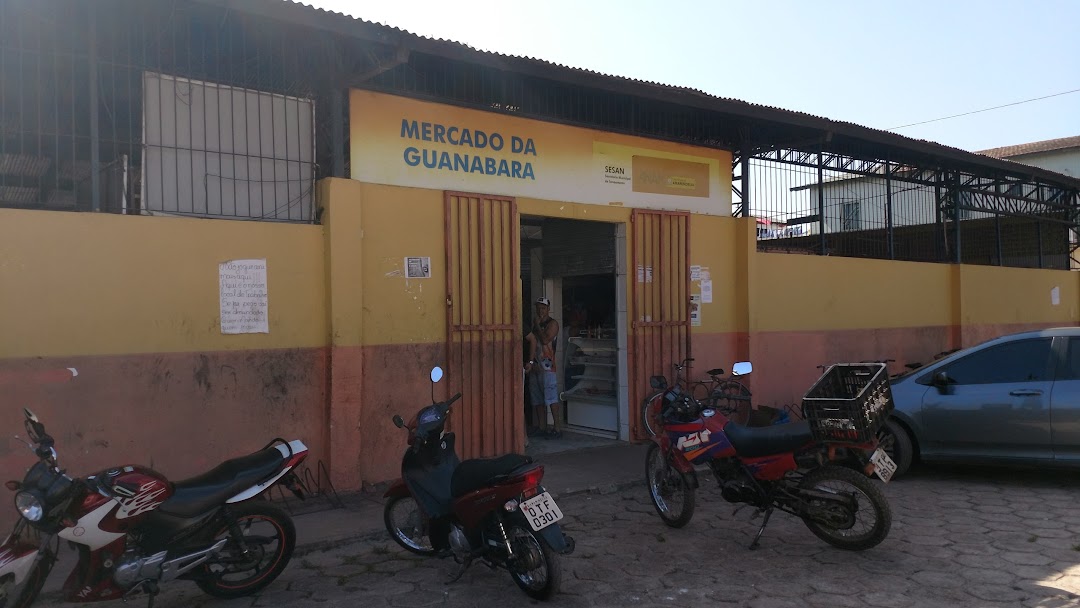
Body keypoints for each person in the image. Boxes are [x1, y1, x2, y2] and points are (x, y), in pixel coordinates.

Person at [525, 296, 562, 440]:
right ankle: (542, 427)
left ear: (548, 309)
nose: (540, 310)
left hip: (548, 367)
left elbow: (545, 339)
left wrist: (537, 325)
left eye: (543, 308)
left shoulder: (552, 324)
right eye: (538, 308)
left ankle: (557, 428)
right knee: (537, 398)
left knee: (551, 397)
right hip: (536, 365)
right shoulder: (536, 324)